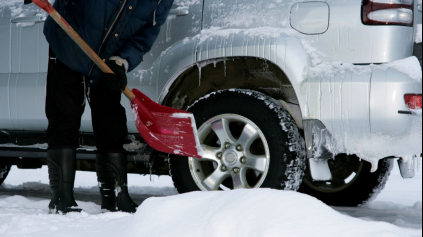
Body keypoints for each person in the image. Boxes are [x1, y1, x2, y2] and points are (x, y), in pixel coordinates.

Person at [42, 0, 174, 214]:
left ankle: (115, 197)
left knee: (112, 124)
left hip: (108, 59)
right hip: (68, 44)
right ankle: (61, 198)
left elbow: (146, 33)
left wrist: (121, 61)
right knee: (64, 116)